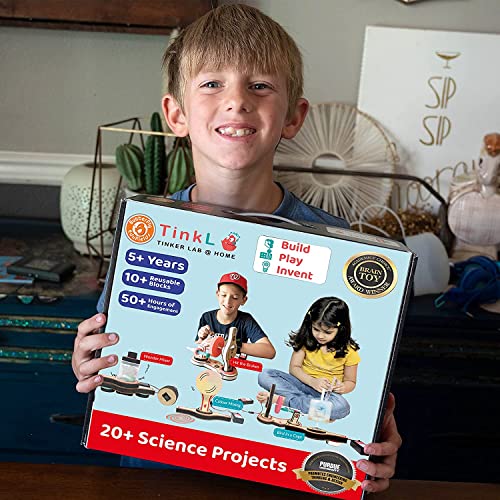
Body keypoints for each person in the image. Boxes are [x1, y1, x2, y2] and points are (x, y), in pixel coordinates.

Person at [72, 4, 402, 492]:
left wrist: (370, 449)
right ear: (176, 114)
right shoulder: (147, 233)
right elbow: (113, 352)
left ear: (293, 117)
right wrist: (86, 360)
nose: (237, 102)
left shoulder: (338, 247)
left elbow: (356, 393)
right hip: (158, 478)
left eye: (260, 86)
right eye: (212, 84)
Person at [257, 297, 359, 421]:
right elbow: (294, 368)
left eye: (327, 332)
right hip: (300, 383)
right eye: (316, 329)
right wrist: (312, 382)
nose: (320, 336)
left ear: (341, 329)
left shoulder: (349, 351)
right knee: (265, 374)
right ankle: (314, 408)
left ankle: (285, 401)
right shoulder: (306, 340)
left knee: (342, 407)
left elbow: (351, 381)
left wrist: (343, 387)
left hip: (326, 395)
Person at [196, 272, 276, 359]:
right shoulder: (207, 317)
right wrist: (202, 338)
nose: (228, 302)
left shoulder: (246, 320)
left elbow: (270, 351)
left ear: (243, 300)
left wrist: (231, 345)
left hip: (233, 364)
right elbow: (198, 345)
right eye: (223, 295)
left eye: (235, 297)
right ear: (218, 294)